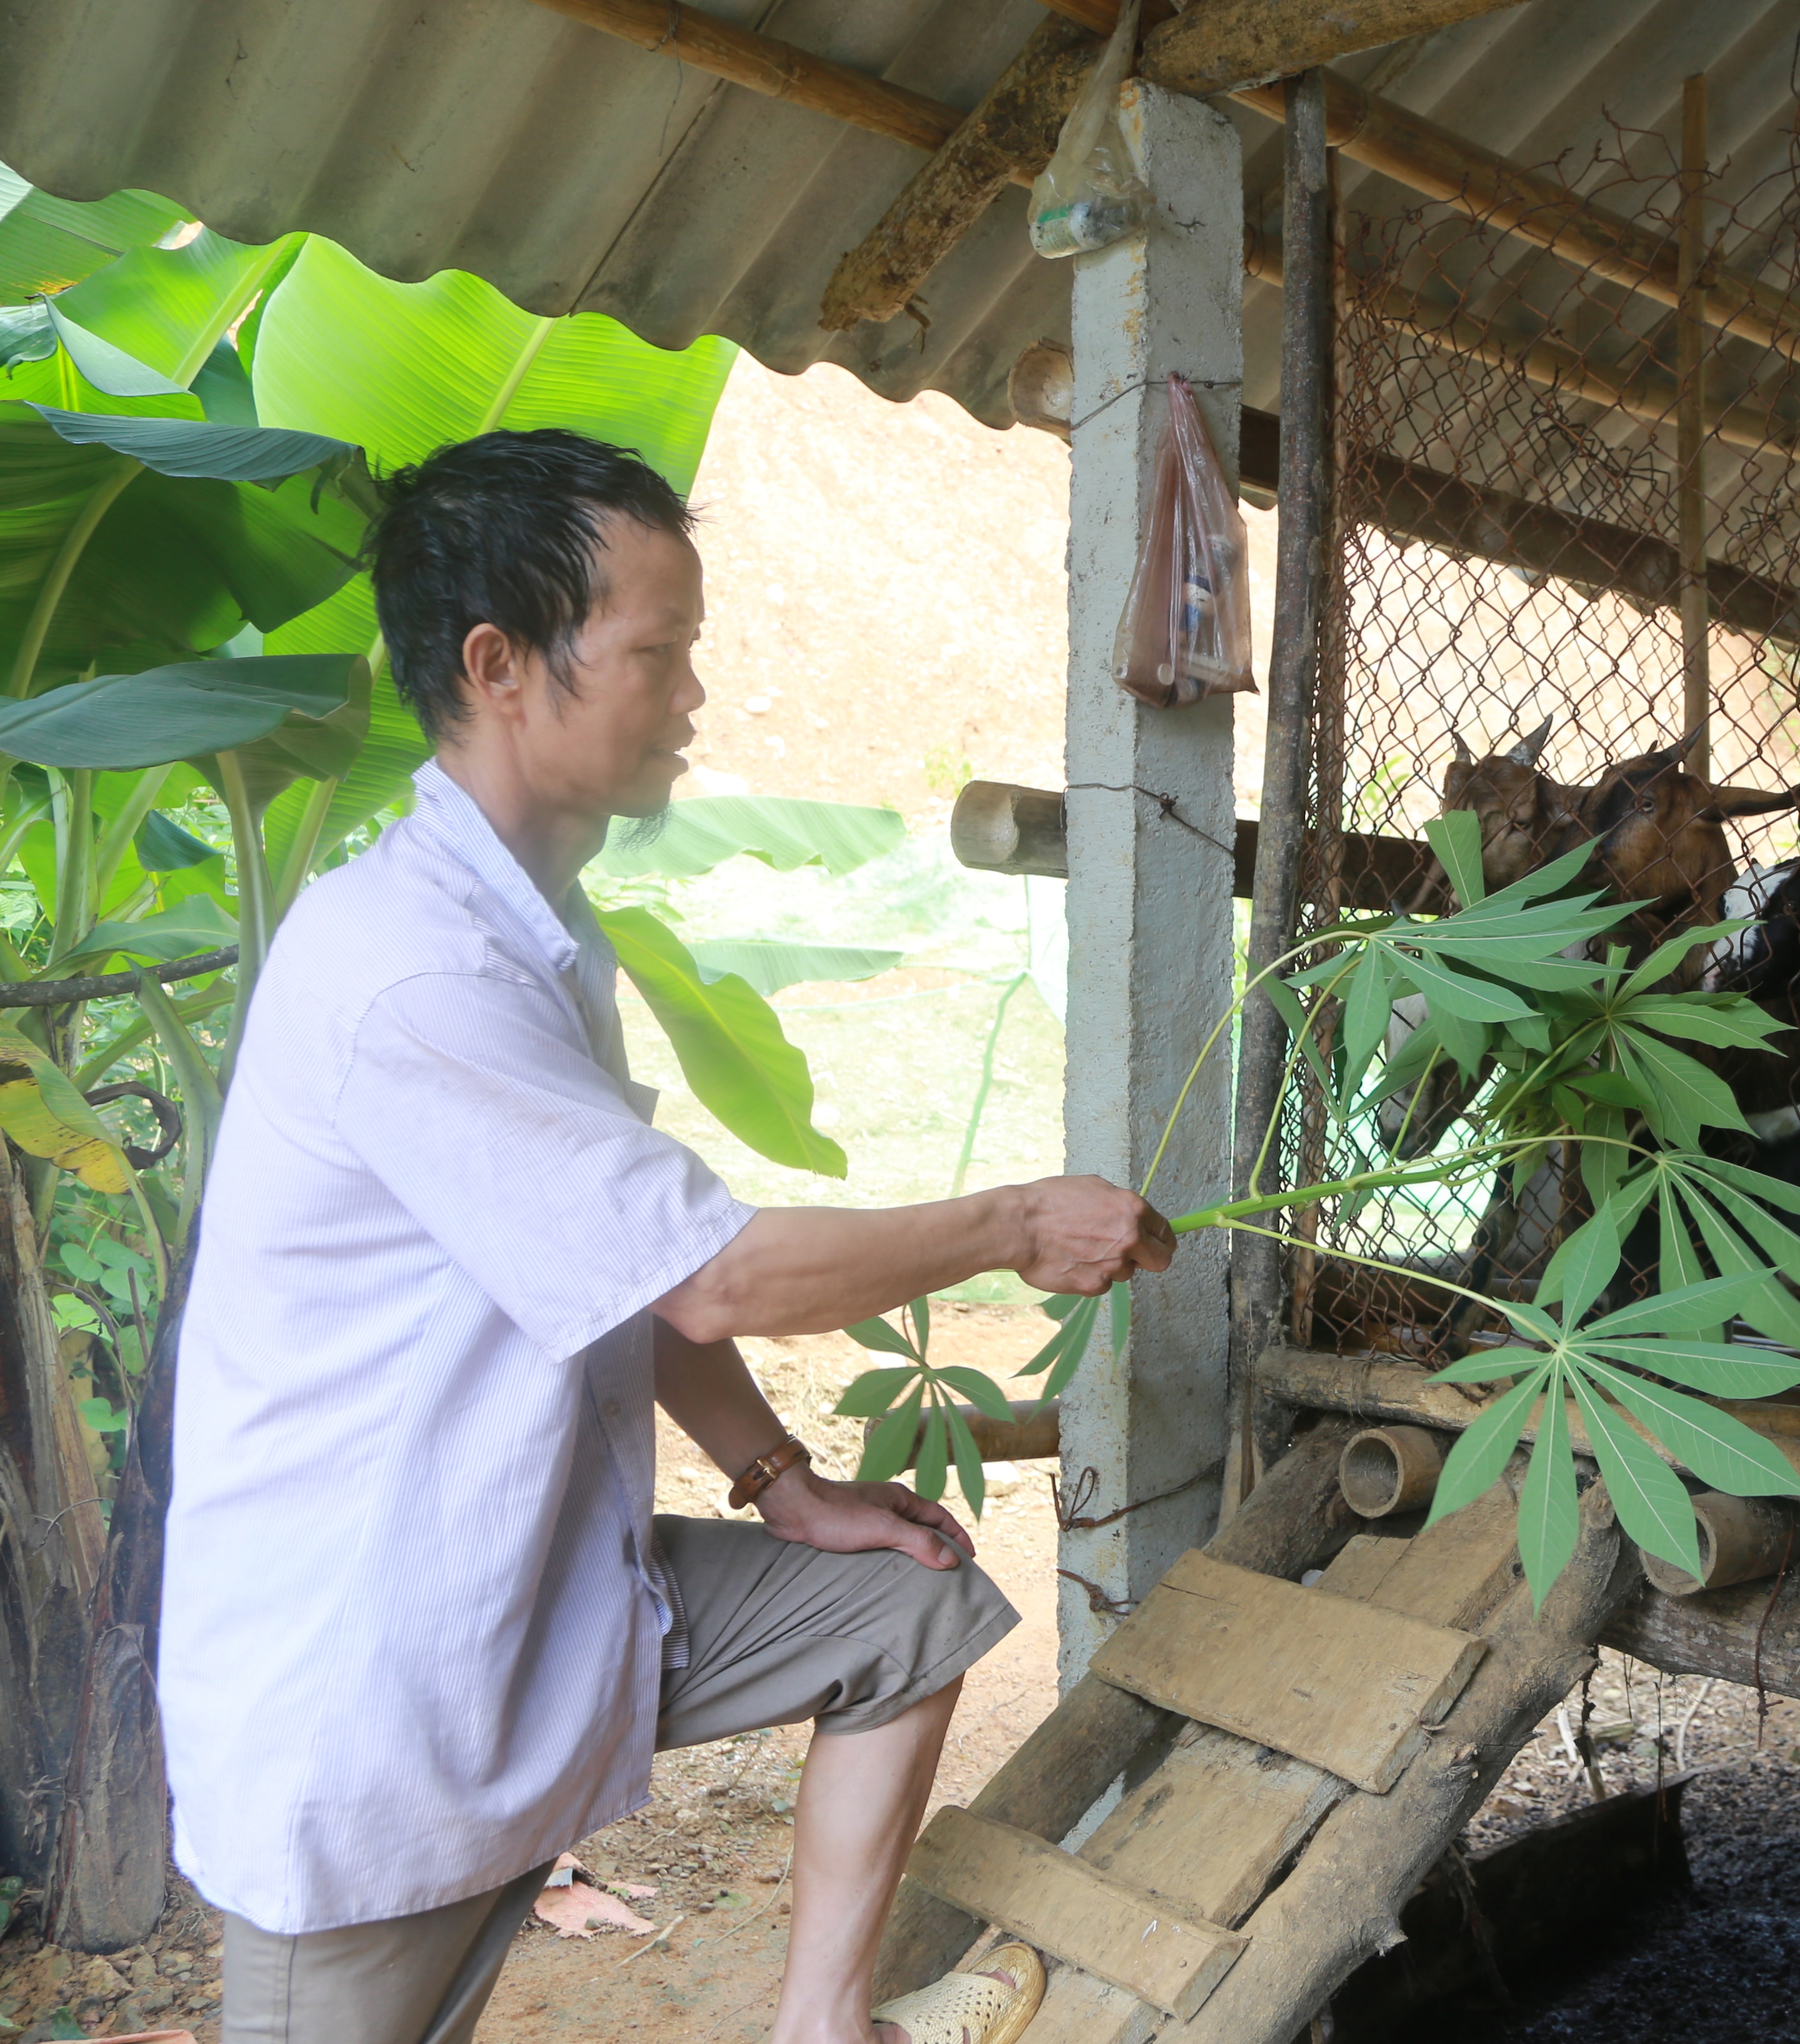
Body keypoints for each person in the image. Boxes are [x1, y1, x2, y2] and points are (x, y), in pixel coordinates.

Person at [157, 428, 1174, 2044]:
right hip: (369, 1710)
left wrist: (784, 1481)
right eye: (658, 652)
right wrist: (1006, 1221)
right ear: (500, 665)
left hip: (536, 1604)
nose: (692, 692)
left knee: (904, 1602)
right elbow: (713, 1273)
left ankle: (819, 2028)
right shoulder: (414, 968)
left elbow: (625, 1280)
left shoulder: (531, 932)